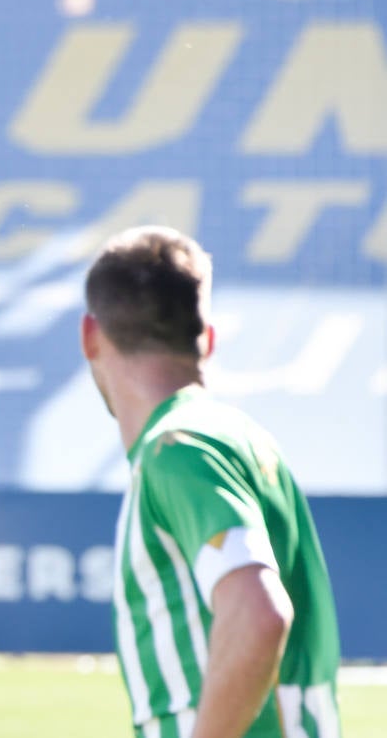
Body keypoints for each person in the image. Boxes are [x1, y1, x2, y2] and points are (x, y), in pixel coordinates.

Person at [81, 226, 341, 737]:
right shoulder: (244, 439)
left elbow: (259, 614)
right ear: (209, 339)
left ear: (90, 335)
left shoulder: (179, 448)